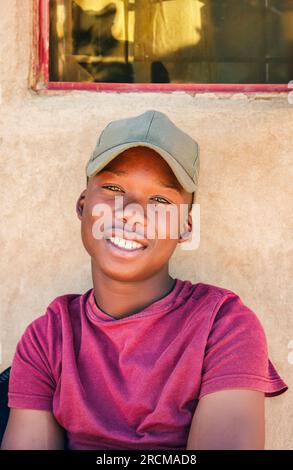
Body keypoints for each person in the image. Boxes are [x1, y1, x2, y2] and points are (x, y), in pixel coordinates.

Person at [1, 110, 288, 450]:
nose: (132, 212)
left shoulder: (223, 326)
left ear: (185, 227)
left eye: (161, 200)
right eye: (112, 188)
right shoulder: (49, 337)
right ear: (82, 204)